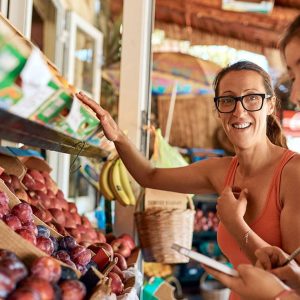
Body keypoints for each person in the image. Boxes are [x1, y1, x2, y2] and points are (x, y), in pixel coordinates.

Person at [199, 14, 300, 300]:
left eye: (251, 98)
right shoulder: (222, 169)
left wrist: (278, 294)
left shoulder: (292, 172)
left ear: (270, 106)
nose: (296, 92)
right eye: (292, 76)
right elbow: (150, 176)